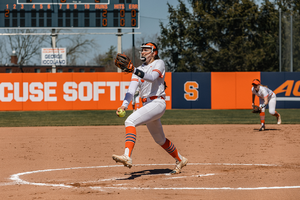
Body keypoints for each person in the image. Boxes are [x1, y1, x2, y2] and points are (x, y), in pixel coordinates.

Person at [112, 42, 188, 174]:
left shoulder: (159, 63)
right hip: (148, 105)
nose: (143, 52)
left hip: (158, 103)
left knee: (130, 121)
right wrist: (123, 105)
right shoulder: (137, 70)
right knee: (160, 139)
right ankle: (180, 159)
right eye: (142, 50)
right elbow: (131, 91)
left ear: (154, 52)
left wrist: (134, 70)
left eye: (147, 50)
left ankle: (127, 156)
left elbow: (152, 77)